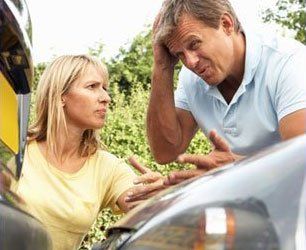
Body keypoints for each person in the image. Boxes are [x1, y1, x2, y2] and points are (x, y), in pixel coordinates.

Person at [147, 0, 306, 184]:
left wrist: (233, 170)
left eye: (194, 44)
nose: (190, 62)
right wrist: (162, 66)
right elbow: (165, 152)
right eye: (179, 54)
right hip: (248, 204)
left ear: (226, 24)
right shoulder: (190, 79)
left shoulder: (289, 63)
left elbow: (301, 164)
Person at [14, 55, 162, 250]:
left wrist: (160, 197)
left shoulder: (107, 167)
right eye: (92, 86)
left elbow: (140, 206)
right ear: (60, 96)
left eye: (105, 88)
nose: (106, 98)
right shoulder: (16, 149)